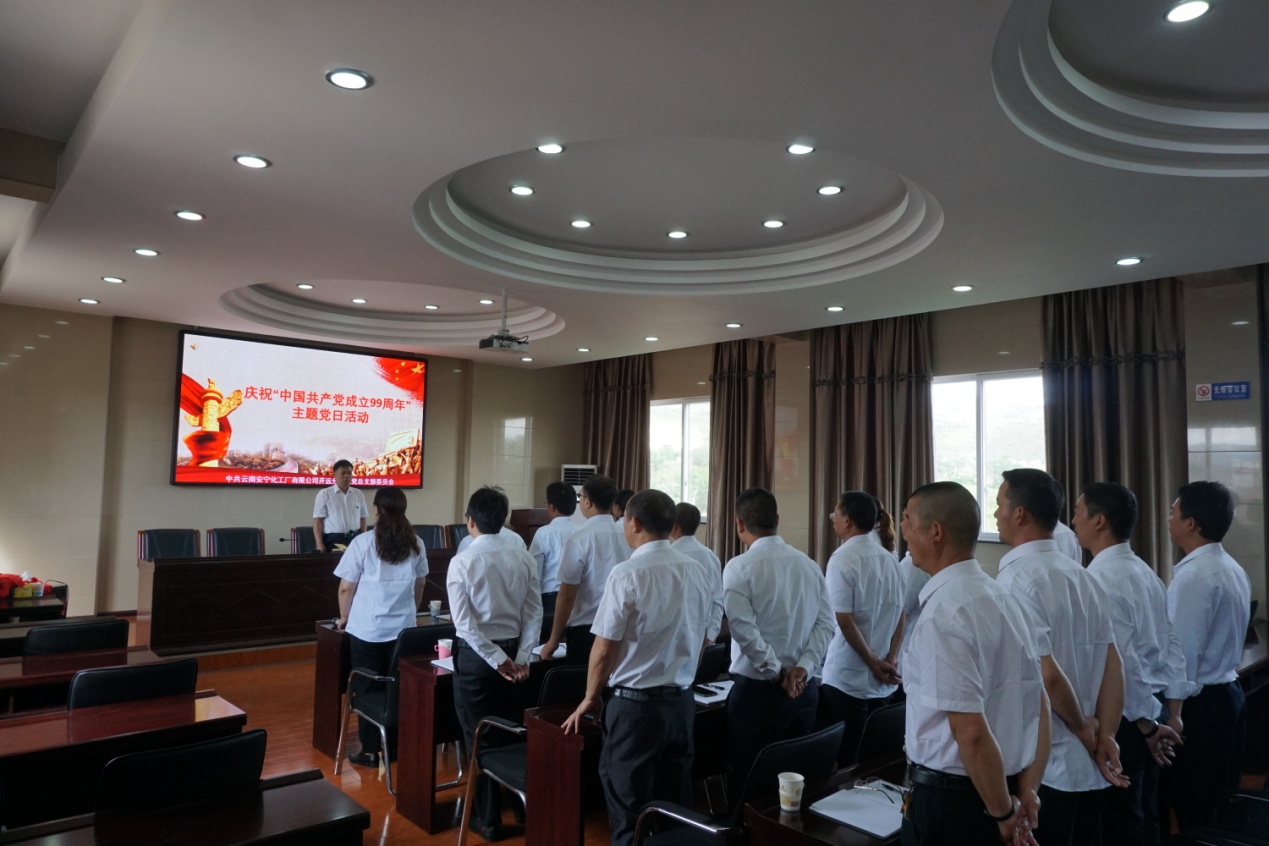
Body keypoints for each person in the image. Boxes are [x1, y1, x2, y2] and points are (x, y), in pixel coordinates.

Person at [899, 481, 1050, 846]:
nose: (903, 531)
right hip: (1001, 788)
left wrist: (1003, 814)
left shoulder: (944, 612)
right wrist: (1027, 788)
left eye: (908, 520)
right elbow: (1039, 702)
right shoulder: (1003, 597)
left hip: (956, 802)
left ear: (935, 532)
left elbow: (970, 731)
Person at [562, 489, 712, 846]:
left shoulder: (627, 573)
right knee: (675, 808)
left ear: (635, 523)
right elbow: (702, 634)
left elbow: (604, 648)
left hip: (635, 708)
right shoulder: (697, 569)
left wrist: (590, 696)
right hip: (681, 703)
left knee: (630, 812)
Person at [994, 468, 1126, 845]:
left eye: (1000, 504)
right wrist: (1106, 734)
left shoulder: (1015, 580)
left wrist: (1084, 729)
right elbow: (1112, 662)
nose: (996, 514)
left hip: (1047, 770)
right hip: (1090, 764)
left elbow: (1047, 675)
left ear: (1020, 513)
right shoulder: (1082, 575)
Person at [1074, 482, 1191, 846]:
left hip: (1129, 718)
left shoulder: (1100, 579)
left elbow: (1123, 663)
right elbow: (1171, 643)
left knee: (1123, 821)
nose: (1073, 522)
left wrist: (1147, 725)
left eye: (1078, 513)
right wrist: (1170, 712)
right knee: (1147, 812)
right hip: (1153, 706)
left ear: (1099, 521)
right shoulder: (1144, 570)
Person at [447, 486, 543, 842]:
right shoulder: (523, 556)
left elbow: (464, 625)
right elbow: (534, 613)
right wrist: (521, 657)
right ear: (502, 520)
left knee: (479, 736)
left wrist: (498, 660)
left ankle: (488, 820)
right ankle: (519, 807)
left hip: (477, 659)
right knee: (509, 731)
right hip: (515, 657)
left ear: (471, 521)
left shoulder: (463, 561)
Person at [722, 487, 834, 785]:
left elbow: (744, 632)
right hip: (803, 690)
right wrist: (803, 668)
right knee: (795, 782)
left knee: (752, 783)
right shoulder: (808, 565)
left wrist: (778, 674)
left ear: (739, 524)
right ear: (777, 519)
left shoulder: (739, 568)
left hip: (758, 696)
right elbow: (826, 624)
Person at [1162, 481, 1252, 830]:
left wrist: (1173, 714)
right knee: (1217, 801)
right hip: (1227, 694)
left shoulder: (1196, 575)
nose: (1169, 519)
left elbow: (1182, 653)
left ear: (1191, 523)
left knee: (1194, 806)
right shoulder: (1230, 566)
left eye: (1173, 512)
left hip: (1201, 707)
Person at [334, 487, 428, 768]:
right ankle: (394, 747)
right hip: (403, 632)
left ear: (376, 510)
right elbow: (420, 583)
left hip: (367, 630)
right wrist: (412, 612)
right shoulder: (416, 543)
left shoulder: (363, 542)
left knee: (367, 688)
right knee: (397, 688)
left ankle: (370, 750)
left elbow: (346, 587)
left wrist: (344, 616)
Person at [820, 491, 905, 766]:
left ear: (847, 520)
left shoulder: (842, 559)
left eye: (835, 514)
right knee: (873, 761)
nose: (832, 519)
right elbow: (901, 614)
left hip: (847, 680)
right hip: (884, 681)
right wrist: (891, 657)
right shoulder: (890, 559)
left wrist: (872, 662)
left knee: (845, 762)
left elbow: (844, 620)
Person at [538, 474, 631, 665]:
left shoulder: (579, 539)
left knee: (583, 681)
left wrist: (554, 639)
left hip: (586, 631)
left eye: (580, 497)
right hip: (622, 626)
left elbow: (566, 595)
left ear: (587, 502)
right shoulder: (628, 536)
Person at [669, 502, 725, 645]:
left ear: (674, 526)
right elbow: (717, 599)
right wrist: (711, 635)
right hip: (703, 636)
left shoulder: (667, 557)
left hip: (673, 639)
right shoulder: (711, 557)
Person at [528, 481, 581, 616]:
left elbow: (534, 570)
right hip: (577, 597)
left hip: (549, 599)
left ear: (551, 507)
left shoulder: (544, 533)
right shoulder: (582, 531)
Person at [313, 459, 368, 553]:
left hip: (354, 537)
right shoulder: (325, 494)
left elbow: (363, 518)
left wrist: (364, 539)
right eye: (343, 473)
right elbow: (318, 520)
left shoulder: (358, 494)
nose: (347, 476)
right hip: (333, 539)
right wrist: (319, 543)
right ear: (334, 474)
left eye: (349, 473)